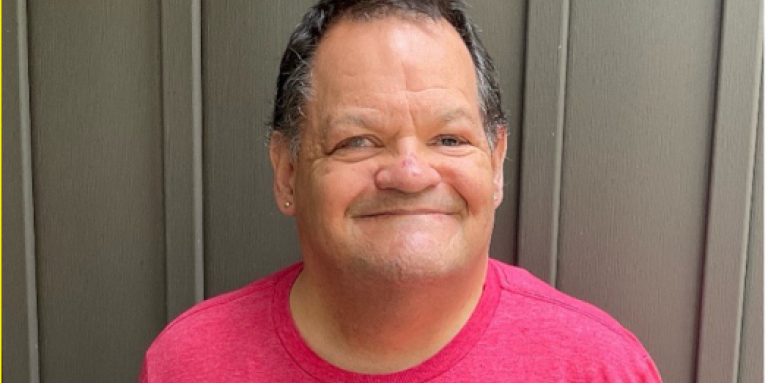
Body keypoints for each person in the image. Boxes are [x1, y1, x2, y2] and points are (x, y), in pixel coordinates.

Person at [140, 0, 663, 381]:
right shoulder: (186, 365)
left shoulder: (599, 369)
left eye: (450, 138)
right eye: (358, 140)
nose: (411, 174)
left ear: (496, 164)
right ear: (287, 172)